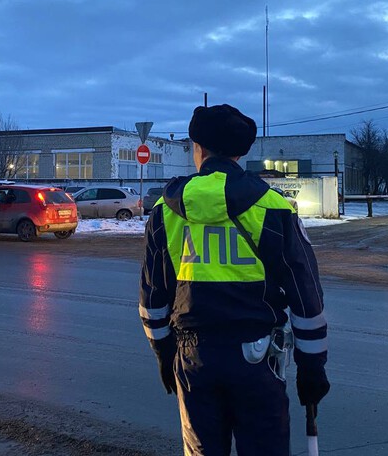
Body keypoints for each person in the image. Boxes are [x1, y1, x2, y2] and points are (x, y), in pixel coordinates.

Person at [139, 104, 329, 455]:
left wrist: (164, 354)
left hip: (193, 359)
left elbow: (153, 301)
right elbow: (307, 298)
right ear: (240, 153)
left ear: (198, 148)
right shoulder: (273, 208)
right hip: (258, 360)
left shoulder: (165, 212)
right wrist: (312, 367)